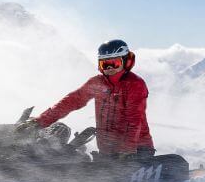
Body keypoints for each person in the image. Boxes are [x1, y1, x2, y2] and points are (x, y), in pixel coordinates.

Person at [21, 39, 154, 158]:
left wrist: (128, 149)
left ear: (125, 61)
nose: (109, 69)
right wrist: (40, 122)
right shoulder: (97, 83)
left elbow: (134, 119)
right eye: (104, 64)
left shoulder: (135, 84)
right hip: (108, 152)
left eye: (114, 63)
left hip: (136, 150)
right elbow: (70, 101)